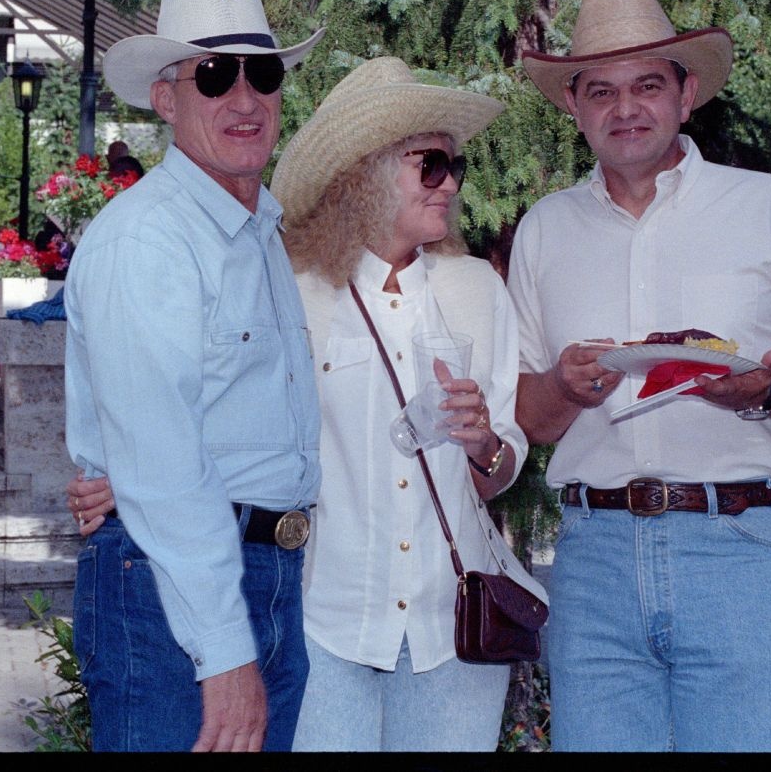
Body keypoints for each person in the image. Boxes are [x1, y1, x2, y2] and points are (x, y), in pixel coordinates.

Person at [74, 57, 540, 750]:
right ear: (366, 172)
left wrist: (483, 444)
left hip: (453, 625)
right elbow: (228, 406)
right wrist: (129, 476)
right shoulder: (292, 286)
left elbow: (499, 470)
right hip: (323, 618)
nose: (450, 184)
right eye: (430, 165)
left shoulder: (479, 289)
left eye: (454, 167)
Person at [509, 0, 771, 751]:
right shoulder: (545, 228)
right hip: (593, 554)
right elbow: (528, 419)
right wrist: (565, 386)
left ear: (686, 96)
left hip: (735, 547)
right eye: (599, 91)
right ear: (573, 107)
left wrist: (762, 393)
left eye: (646, 85)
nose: (625, 108)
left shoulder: (766, 206)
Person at [62, 0, 325, 752]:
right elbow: (164, 466)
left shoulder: (258, 232)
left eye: (262, 74)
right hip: (174, 587)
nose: (244, 97)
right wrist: (225, 653)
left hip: (260, 577)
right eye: (215, 77)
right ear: (166, 99)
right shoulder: (148, 240)